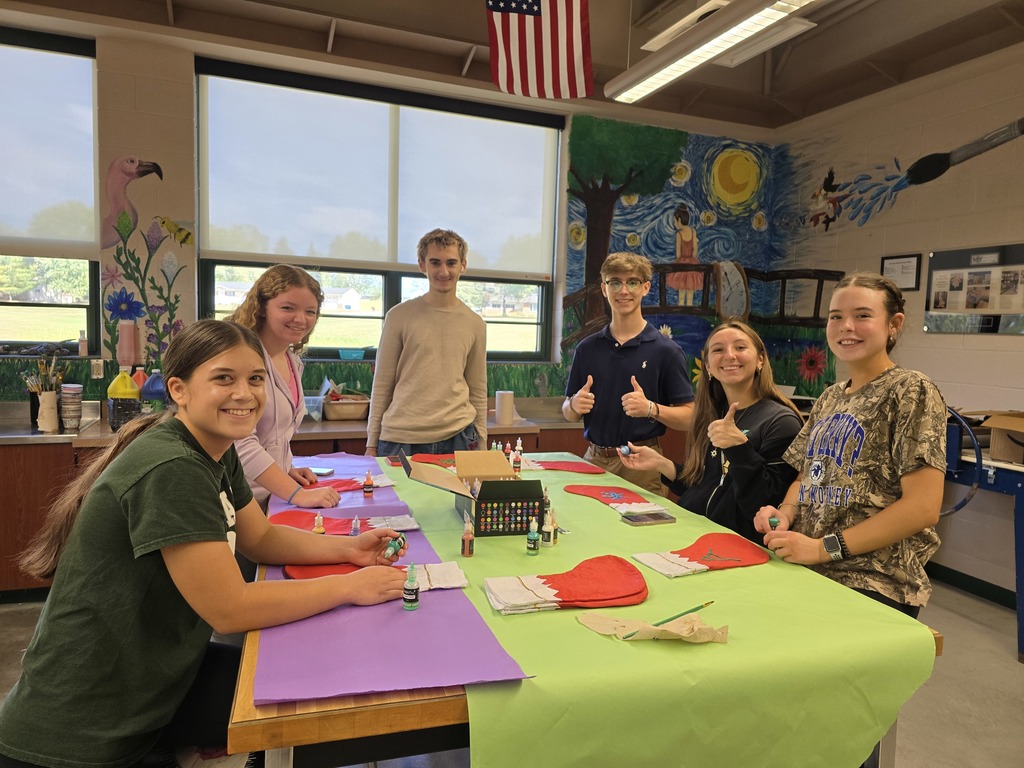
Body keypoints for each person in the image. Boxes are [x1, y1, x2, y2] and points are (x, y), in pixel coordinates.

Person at [0, 320, 407, 768]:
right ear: (179, 389)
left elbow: (262, 538)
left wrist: (349, 550)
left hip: (158, 679)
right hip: (82, 733)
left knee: (298, 682)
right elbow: (230, 608)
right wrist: (350, 587)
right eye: (223, 378)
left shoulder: (215, 448)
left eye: (255, 379)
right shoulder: (172, 468)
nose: (245, 393)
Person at [754, 272, 946, 619]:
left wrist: (822, 548)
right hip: (809, 568)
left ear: (894, 324)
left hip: (871, 581)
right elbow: (805, 478)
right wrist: (785, 513)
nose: (846, 326)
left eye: (862, 315)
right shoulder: (829, 397)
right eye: (836, 317)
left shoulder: (910, 390)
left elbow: (923, 508)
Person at [620, 321, 802, 540]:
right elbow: (707, 486)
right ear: (707, 366)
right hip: (692, 531)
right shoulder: (713, 413)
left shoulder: (781, 421)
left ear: (760, 359)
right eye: (718, 350)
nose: (729, 355)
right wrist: (662, 463)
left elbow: (766, 506)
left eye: (740, 347)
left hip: (738, 546)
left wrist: (740, 449)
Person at [562, 252, 695, 492]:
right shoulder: (587, 348)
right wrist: (573, 405)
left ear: (645, 288)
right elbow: (568, 413)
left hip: (641, 461)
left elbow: (689, 417)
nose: (624, 291)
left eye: (632, 282)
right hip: (593, 459)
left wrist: (650, 409)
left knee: (642, 529)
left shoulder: (666, 350)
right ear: (604, 289)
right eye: (615, 282)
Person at [366, 228, 487, 457]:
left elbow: (478, 389)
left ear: (463, 265)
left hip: (459, 436)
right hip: (401, 439)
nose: (444, 271)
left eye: (451, 263)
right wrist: (371, 444)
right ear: (422, 265)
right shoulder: (398, 316)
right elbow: (382, 384)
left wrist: (481, 444)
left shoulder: (475, 323)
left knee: (461, 495)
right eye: (435, 262)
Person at [227, 265, 339, 509]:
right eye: (288, 308)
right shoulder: (241, 358)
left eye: (311, 311)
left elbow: (275, 437)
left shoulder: (291, 361)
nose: (301, 319)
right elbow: (239, 443)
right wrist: (295, 493)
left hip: (270, 495)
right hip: (236, 499)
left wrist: (286, 469)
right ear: (262, 308)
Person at [665, 203, 701, 306]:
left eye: (675, 221)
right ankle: (689, 315)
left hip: (682, 264)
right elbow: (695, 251)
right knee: (690, 295)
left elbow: (678, 254)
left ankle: (681, 316)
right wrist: (691, 259)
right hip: (692, 264)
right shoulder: (693, 232)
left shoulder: (679, 234)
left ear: (679, 220)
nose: (674, 223)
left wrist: (676, 263)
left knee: (681, 296)